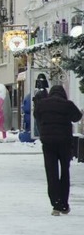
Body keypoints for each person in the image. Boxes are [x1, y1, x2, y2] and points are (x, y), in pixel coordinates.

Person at [33, 85, 82, 215]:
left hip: (48, 143)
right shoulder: (67, 104)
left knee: (51, 172)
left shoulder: (42, 104)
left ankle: (55, 204)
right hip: (64, 143)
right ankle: (64, 205)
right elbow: (77, 117)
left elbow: (36, 115)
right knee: (65, 172)